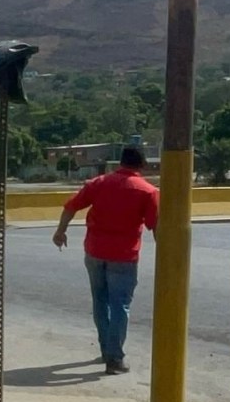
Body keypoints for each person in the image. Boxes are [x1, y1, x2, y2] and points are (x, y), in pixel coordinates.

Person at [53, 146, 158, 375]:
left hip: (95, 252)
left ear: (120, 162)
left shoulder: (99, 183)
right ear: (142, 165)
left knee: (100, 301)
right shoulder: (148, 191)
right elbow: (156, 227)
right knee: (120, 304)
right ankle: (114, 357)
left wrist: (60, 231)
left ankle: (106, 349)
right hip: (124, 256)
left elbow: (70, 207)